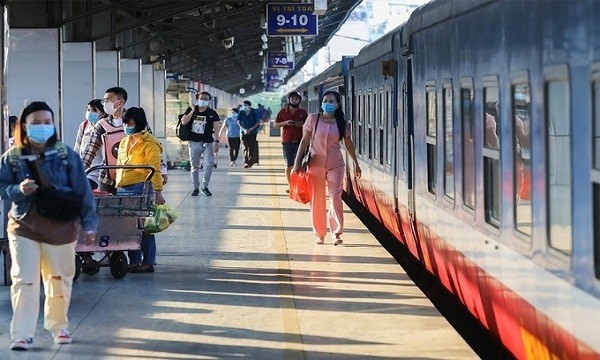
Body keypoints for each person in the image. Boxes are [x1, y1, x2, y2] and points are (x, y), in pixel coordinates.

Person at [0, 101, 98, 350]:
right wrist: (18, 190)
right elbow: (2, 188)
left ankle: (59, 326)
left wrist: (89, 224)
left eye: (47, 122)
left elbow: (83, 191)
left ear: (53, 124)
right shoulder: (12, 157)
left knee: (59, 278)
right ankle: (22, 334)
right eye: (36, 123)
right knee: (24, 279)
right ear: (24, 126)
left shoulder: (66, 155)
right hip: (24, 225)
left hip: (62, 226)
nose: (43, 127)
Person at [292, 91, 361, 245]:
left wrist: (356, 162)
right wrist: (296, 163)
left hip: (335, 164)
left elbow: (348, 143)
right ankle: (319, 234)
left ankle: (336, 233)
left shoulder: (342, 122)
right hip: (315, 163)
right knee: (317, 199)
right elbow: (304, 141)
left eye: (331, 101)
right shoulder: (313, 119)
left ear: (337, 104)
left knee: (335, 197)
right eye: (325, 100)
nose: (327, 103)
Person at [115, 107, 166, 273]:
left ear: (138, 123)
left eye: (129, 123)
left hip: (141, 188)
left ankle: (148, 261)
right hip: (123, 187)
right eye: (125, 123)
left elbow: (154, 169)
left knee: (143, 227)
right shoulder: (124, 141)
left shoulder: (150, 143)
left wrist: (157, 191)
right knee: (128, 226)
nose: (126, 126)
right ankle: (134, 260)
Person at [80, 87, 128, 194]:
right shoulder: (101, 125)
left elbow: (151, 144)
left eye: (108, 100)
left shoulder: (135, 121)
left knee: (131, 207)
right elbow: (89, 152)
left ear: (120, 102)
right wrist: (77, 172)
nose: (105, 103)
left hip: (133, 174)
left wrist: (162, 170)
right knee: (107, 207)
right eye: (104, 100)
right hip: (107, 176)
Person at [179, 91, 220, 196]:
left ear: (209, 101)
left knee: (209, 164)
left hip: (207, 142)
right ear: (198, 99)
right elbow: (184, 121)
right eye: (201, 98)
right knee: (194, 165)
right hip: (193, 141)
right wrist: (192, 110)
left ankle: (205, 186)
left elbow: (216, 129)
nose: (203, 101)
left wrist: (216, 142)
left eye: (206, 99)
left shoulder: (212, 113)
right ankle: (195, 187)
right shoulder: (191, 109)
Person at [274, 91, 308, 192]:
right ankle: (291, 186)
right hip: (287, 141)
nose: (294, 101)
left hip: (300, 142)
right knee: (288, 165)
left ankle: (299, 185)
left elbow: (309, 126)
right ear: (289, 100)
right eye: (292, 99)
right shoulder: (283, 112)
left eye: (296, 99)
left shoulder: (303, 112)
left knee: (299, 164)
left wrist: (301, 125)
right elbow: (275, 125)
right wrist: (286, 123)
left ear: (299, 100)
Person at [74, 99, 107, 189]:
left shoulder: (105, 127)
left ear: (103, 113)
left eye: (94, 111)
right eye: (88, 110)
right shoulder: (84, 125)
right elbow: (77, 147)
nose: (90, 113)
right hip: (83, 170)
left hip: (96, 172)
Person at [238, 100, 260, 168]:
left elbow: (257, 122)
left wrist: (251, 129)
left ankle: (250, 162)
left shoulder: (254, 112)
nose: (244, 107)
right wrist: (244, 129)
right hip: (243, 132)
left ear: (249, 106)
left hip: (252, 132)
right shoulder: (241, 112)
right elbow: (238, 122)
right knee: (245, 147)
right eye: (243, 105)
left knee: (251, 147)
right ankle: (246, 162)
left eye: (246, 105)